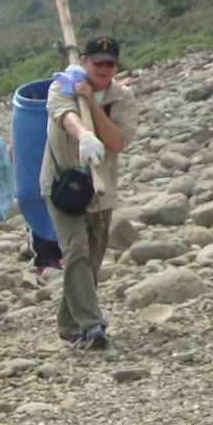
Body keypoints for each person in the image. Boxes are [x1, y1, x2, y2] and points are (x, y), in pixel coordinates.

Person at [41, 36, 139, 350]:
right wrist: (83, 134)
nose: (104, 69)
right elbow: (65, 116)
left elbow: (117, 141)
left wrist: (94, 108)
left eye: (110, 63)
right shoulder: (62, 86)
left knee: (90, 260)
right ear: (84, 60)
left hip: (100, 189)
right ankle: (92, 323)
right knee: (76, 251)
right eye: (98, 62)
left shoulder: (122, 97)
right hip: (62, 186)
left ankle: (68, 325)